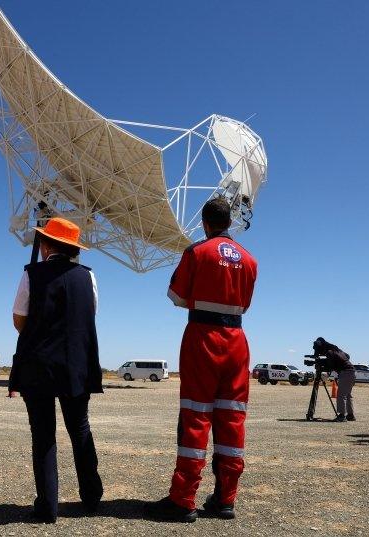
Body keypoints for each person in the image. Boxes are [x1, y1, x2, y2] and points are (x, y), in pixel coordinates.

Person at [152, 197, 257, 523]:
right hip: (237, 341)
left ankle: (183, 500)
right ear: (229, 222)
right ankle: (225, 499)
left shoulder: (196, 252)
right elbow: (245, 304)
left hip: (203, 338)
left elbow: (177, 297)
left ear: (205, 222)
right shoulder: (250, 260)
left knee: (196, 417)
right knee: (231, 418)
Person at [10, 217, 103, 523]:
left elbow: (19, 320)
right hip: (76, 365)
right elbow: (89, 314)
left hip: (38, 365)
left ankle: (48, 506)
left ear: (46, 245)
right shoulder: (87, 277)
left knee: (44, 435)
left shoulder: (31, 274)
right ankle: (91, 497)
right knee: (80, 429)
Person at [312, 337, 356, 422]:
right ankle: (350, 415)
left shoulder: (329, 352)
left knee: (341, 395)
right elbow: (347, 356)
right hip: (351, 372)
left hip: (345, 373)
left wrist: (324, 363)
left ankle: (342, 416)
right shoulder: (335, 349)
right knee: (347, 395)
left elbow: (330, 366)